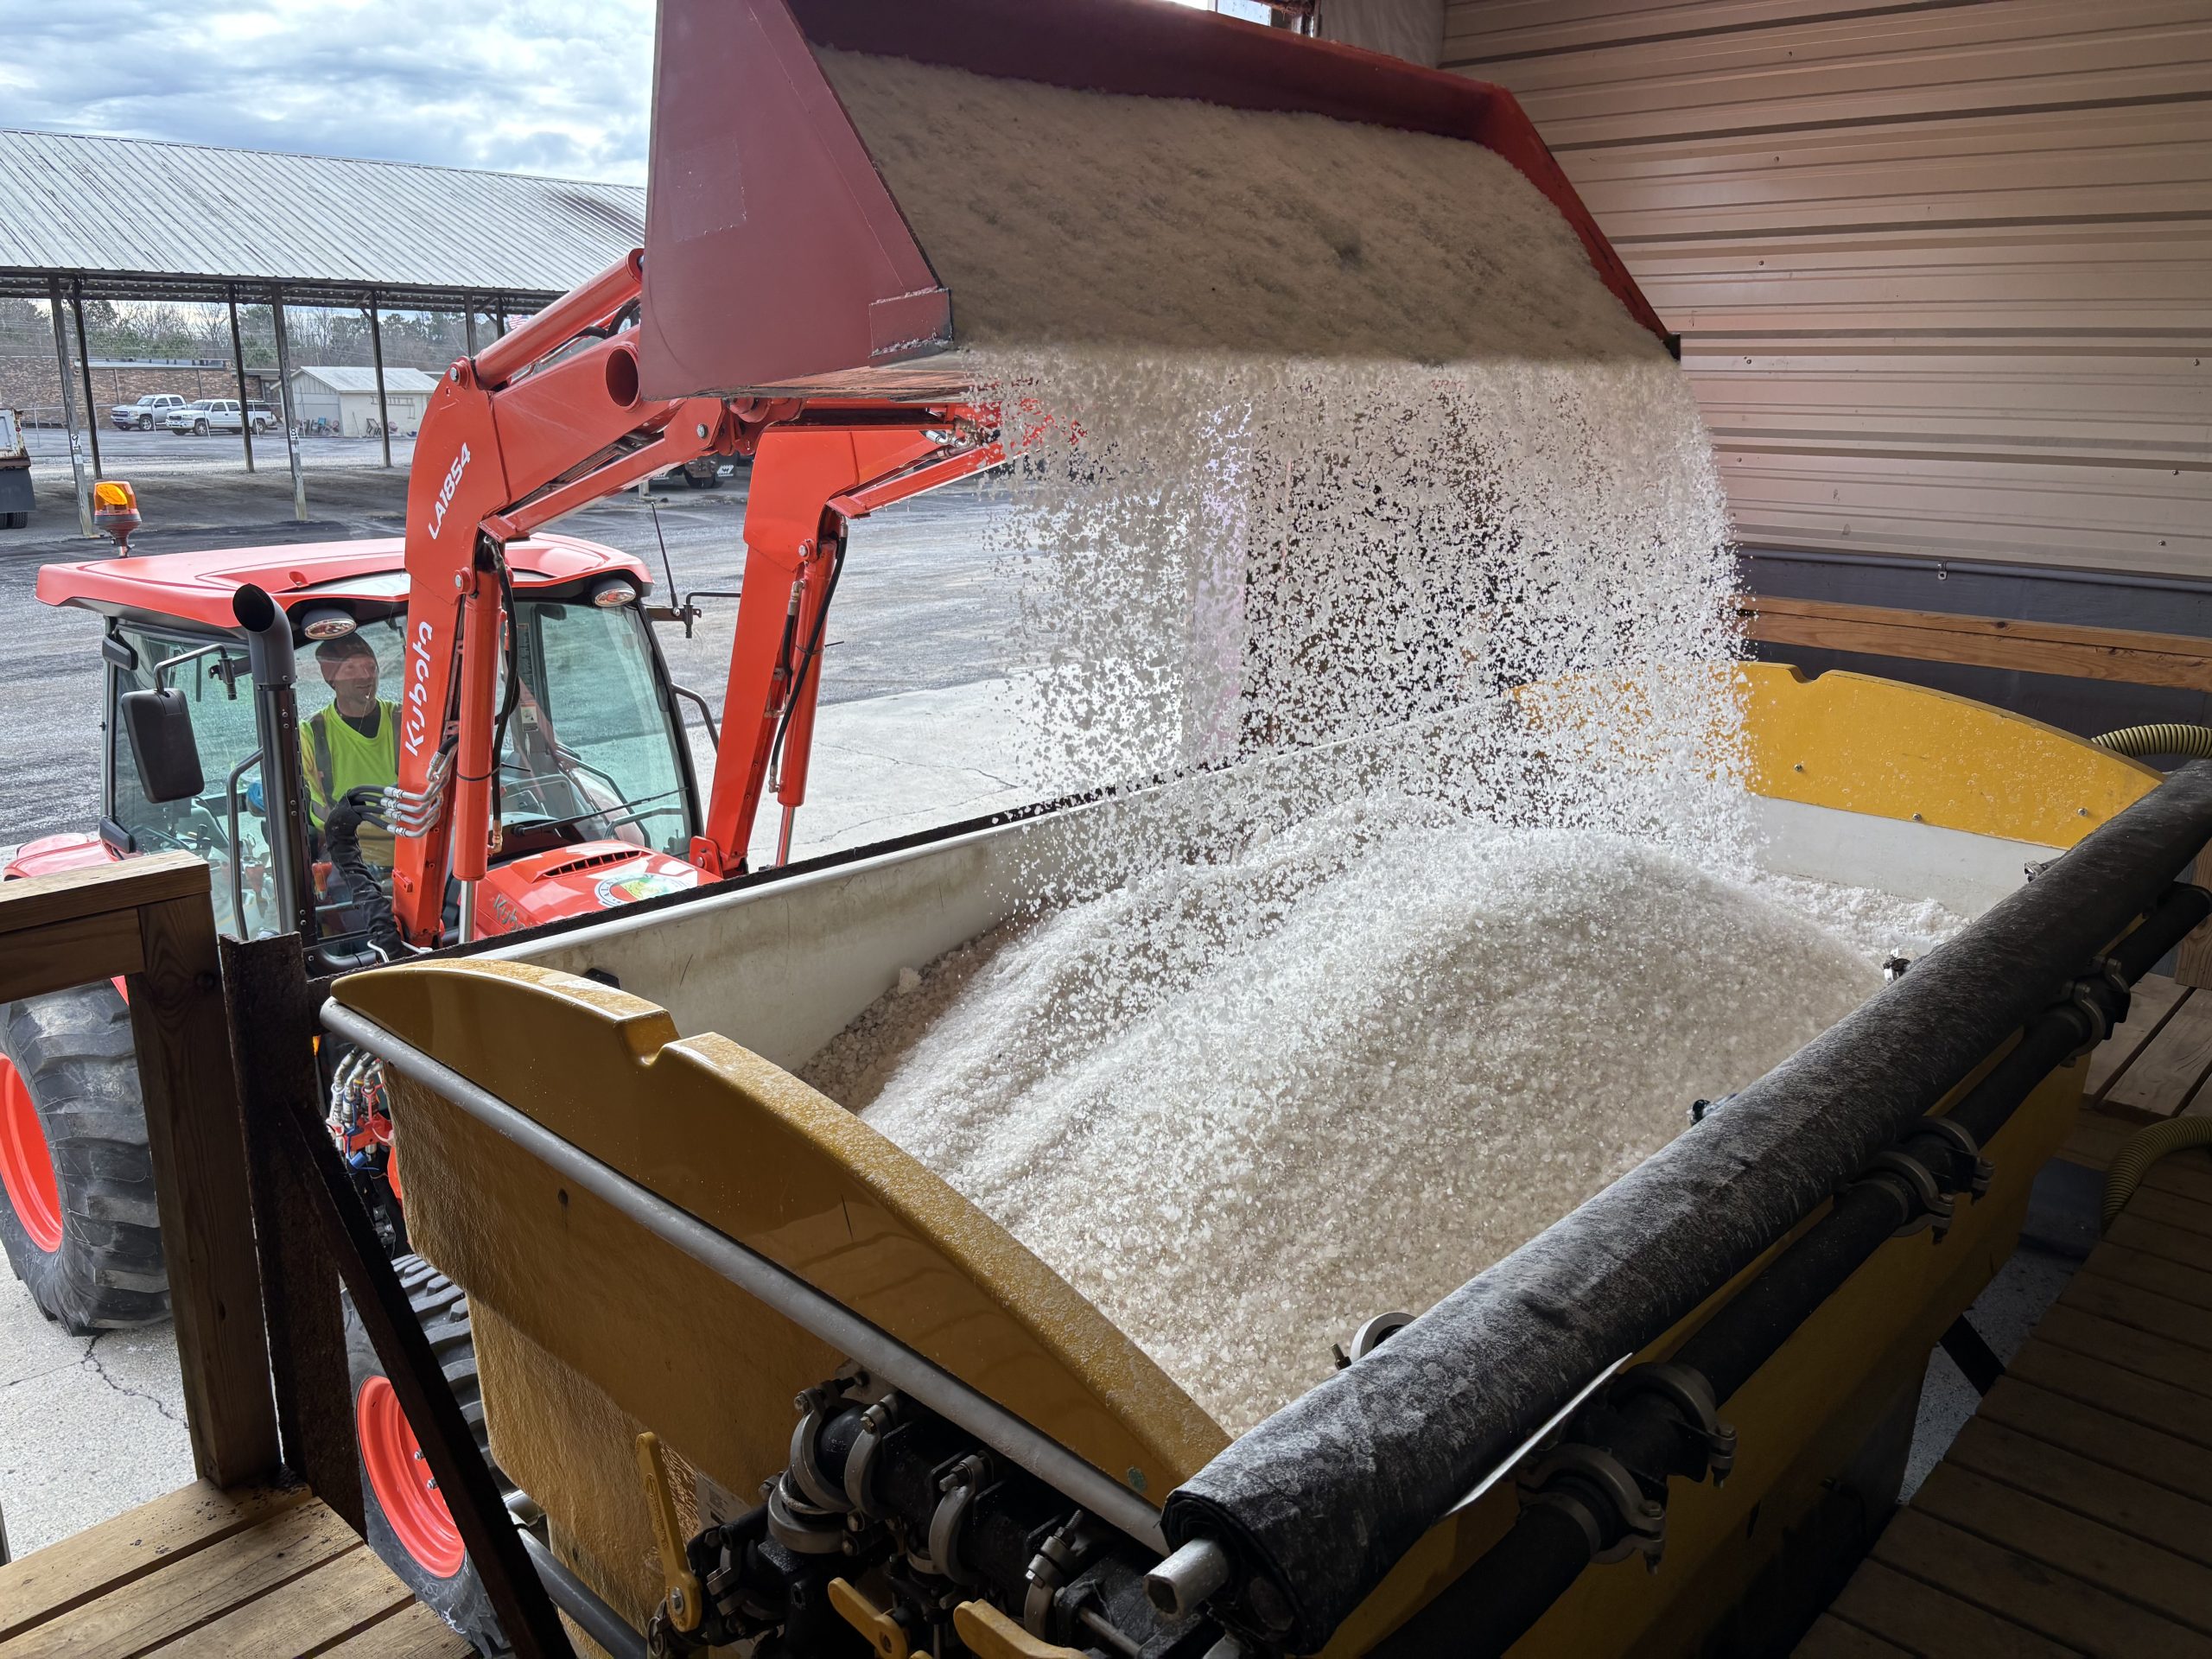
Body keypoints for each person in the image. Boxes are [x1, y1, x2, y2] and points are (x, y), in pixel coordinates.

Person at [300, 632, 399, 868]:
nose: (365, 676)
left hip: (416, 844)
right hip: (347, 852)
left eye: (370, 666)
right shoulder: (311, 733)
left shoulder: (405, 720)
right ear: (332, 680)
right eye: (350, 668)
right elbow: (306, 804)